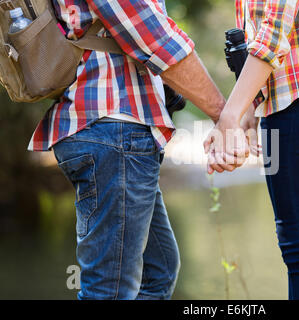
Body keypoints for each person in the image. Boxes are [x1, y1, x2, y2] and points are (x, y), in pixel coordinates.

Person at [28, 0, 225, 300]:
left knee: (158, 272)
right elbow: (153, 35)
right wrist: (225, 114)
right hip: (114, 126)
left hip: (106, 130)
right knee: (109, 290)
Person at [204, 0, 299, 300]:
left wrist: (229, 116)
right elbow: (254, 34)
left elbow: (273, 36)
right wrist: (251, 110)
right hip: (282, 105)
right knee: (297, 247)